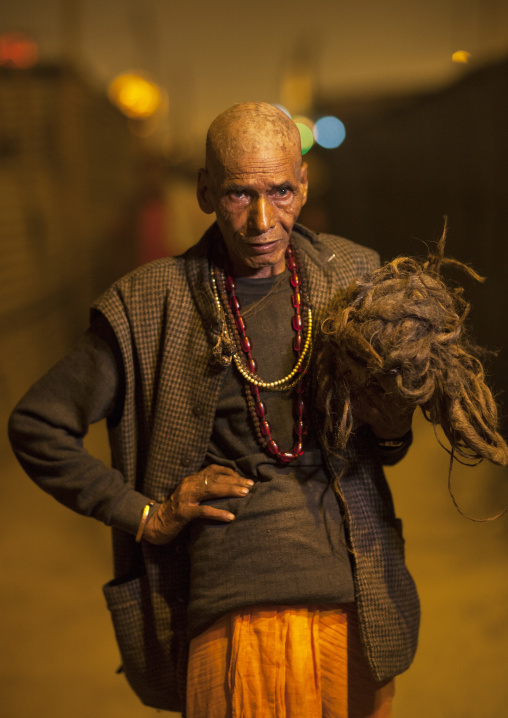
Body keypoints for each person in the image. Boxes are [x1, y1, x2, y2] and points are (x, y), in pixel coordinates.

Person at [8, 102, 419, 718]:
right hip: (230, 612)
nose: (262, 219)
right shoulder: (149, 304)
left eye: (280, 191)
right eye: (238, 194)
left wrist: (391, 419)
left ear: (303, 186)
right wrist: (146, 513)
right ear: (205, 191)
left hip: (355, 605)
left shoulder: (355, 279)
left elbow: (390, 445)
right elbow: (37, 424)